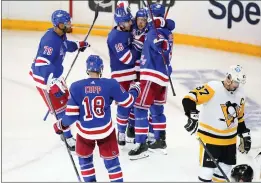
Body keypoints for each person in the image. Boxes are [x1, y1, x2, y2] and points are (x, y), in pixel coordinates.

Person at [53, 55, 141, 182]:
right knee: (113, 165)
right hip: (105, 131)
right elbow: (128, 102)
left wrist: (59, 125)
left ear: (87, 69)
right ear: (101, 69)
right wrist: (135, 89)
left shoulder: (76, 87)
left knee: (85, 162)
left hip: (85, 133)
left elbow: (71, 117)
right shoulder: (110, 84)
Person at [29, 10, 89, 151]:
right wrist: (51, 83)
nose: (68, 24)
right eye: (65, 22)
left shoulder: (60, 35)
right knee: (60, 109)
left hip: (55, 77)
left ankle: (68, 130)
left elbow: (65, 45)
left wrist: (77, 45)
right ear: (58, 24)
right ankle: (67, 137)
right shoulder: (49, 40)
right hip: (45, 79)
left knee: (68, 102)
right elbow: (41, 63)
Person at [182, 65, 252, 182]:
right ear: (228, 78)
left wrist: (244, 134)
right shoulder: (212, 88)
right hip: (210, 139)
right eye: (235, 82)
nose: (237, 85)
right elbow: (189, 98)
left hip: (230, 140)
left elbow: (239, 116)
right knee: (207, 170)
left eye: (238, 83)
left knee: (225, 168)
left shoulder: (240, 93)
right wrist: (192, 115)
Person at [128, 3, 174, 160]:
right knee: (157, 109)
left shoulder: (156, 31)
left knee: (139, 107)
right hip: (162, 76)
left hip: (151, 74)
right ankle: (160, 139)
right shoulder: (167, 30)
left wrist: (158, 44)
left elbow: (160, 45)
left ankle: (141, 143)